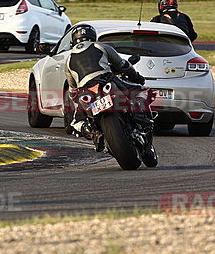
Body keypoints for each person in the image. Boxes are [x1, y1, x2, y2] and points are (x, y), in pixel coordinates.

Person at [63, 23, 155, 162]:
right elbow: (122, 65)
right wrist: (137, 77)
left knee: (76, 121)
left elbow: (72, 89)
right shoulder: (101, 46)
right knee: (140, 90)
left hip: (85, 91)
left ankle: (92, 131)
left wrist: (77, 101)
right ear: (92, 36)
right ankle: (141, 119)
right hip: (106, 80)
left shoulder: (68, 59)